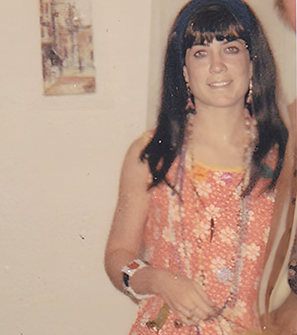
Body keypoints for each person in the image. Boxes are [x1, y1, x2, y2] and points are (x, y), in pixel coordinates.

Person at [104, 0, 296, 334]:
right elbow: (117, 255)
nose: (217, 66)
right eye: (201, 53)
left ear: (252, 63)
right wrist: (161, 281)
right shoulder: (152, 154)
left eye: (232, 49)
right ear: (183, 70)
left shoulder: (283, 157)